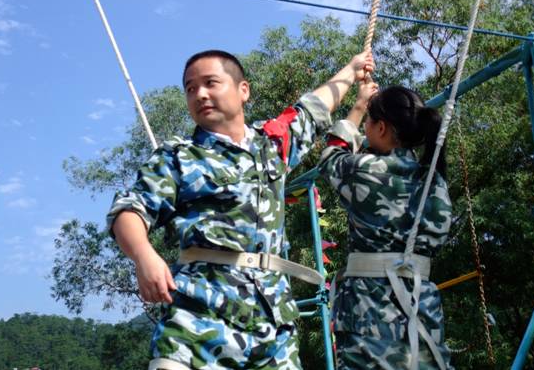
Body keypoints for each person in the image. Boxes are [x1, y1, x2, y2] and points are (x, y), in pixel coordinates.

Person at [106, 49, 375, 370]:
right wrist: (143, 256)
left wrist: (352, 69)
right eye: (190, 88)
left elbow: (315, 107)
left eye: (210, 83)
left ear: (243, 90)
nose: (199, 94)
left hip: (272, 329)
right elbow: (129, 210)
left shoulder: (272, 143)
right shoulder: (178, 157)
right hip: (198, 323)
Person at [318, 80, 453, 370]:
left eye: (369, 121)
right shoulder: (435, 181)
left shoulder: (365, 169)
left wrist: (358, 106)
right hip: (422, 308)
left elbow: (330, 158)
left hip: (371, 312)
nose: (365, 126)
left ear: (381, 128)